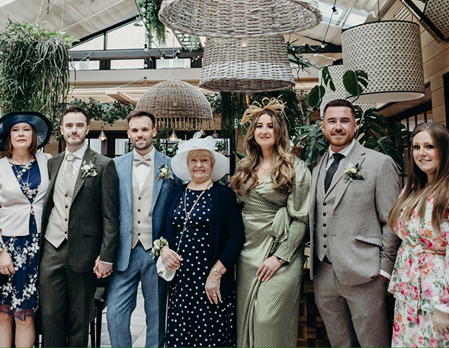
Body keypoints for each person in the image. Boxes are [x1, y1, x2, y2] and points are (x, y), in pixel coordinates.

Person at [309, 99, 402, 347]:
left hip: (366, 274)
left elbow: (392, 220)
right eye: (332, 121)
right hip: (324, 274)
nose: (338, 127)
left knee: (373, 342)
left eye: (344, 121)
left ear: (355, 125)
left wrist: (384, 270)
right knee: (339, 342)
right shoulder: (316, 166)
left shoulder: (378, 163)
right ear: (322, 127)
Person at [388, 122, 449, 347]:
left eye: (430, 146)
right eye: (416, 147)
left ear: (445, 149)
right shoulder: (413, 188)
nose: (421, 154)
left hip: (442, 296)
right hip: (412, 293)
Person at [230, 98, 312, 347]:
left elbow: (301, 217)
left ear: (279, 132)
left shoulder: (295, 167)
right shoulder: (244, 166)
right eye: (258, 126)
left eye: (270, 126)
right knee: (247, 316)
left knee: (268, 319)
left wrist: (280, 257)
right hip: (248, 250)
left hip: (280, 249)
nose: (264, 131)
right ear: (252, 132)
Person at [39, 106, 119, 347]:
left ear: (87, 129)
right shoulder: (52, 163)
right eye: (69, 126)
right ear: (61, 130)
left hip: (85, 252)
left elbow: (110, 216)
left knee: (79, 319)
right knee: (50, 317)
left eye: (79, 125)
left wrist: (107, 255)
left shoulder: (104, 164)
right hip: (51, 249)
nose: (74, 130)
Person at [158, 133, 245, 347]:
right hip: (181, 281)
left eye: (204, 160)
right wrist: (164, 250)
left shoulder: (223, 194)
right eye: (193, 160)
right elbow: (162, 231)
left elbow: (237, 236)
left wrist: (216, 274)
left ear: (212, 165)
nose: (199, 165)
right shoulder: (176, 193)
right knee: (182, 334)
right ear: (187, 165)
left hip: (211, 278)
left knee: (210, 335)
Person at [0, 111, 53, 348]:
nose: (21, 134)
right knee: (3, 311)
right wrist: (0, 251)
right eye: (16, 130)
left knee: (26, 314)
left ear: (34, 135)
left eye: (26, 130)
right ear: (8, 137)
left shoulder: (48, 161)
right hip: (6, 245)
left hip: (39, 246)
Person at [106, 110, 180, 348]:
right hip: (123, 252)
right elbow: (106, 212)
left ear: (154, 132)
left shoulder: (171, 167)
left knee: (156, 316)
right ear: (128, 134)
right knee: (115, 314)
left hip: (156, 253)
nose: (140, 134)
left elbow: (178, 209)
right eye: (135, 130)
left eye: (145, 129)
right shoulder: (115, 165)